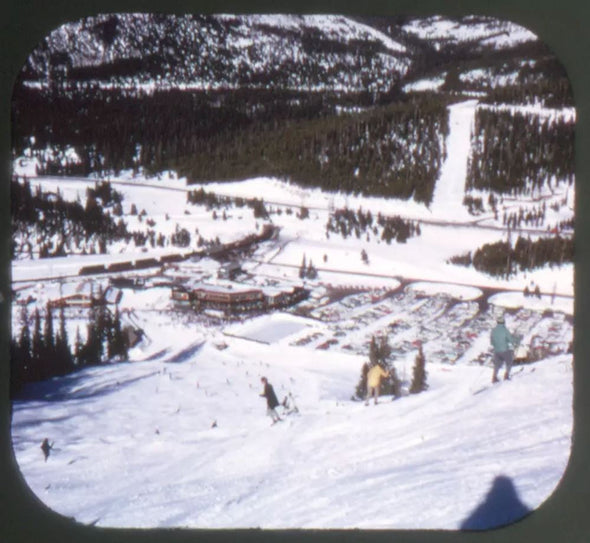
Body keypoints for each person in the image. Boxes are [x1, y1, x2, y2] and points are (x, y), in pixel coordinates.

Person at [490, 314, 518, 383]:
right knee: (509, 361)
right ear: (503, 322)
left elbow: (492, 342)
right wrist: (516, 341)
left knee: (497, 364)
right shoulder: (505, 330)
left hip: (496, 351)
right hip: (505, 350)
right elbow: (511, 340)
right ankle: (507, 375)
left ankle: (494, 377)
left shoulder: (493, 331)